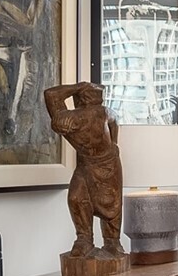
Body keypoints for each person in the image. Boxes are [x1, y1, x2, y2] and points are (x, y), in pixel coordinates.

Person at [43, 82, 125, 258]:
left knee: (112, 205)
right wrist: (81, 87)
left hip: (108, 163)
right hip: (86, 164)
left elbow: (51, 94)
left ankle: (112, 242)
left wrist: (78, 88)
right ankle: (84, 239)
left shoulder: (102, 113)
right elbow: (50, 95)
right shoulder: (71, 119)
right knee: (76, 197)